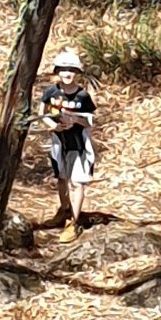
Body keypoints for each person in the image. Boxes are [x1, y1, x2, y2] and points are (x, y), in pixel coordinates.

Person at [39, 50, 96, 243]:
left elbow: (90, 121)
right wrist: (52, 125)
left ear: (77, 72)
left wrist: (75, 120)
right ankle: (64, 211)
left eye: (71, 69)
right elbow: (42, 113)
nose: (67, 73)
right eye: (63, 69)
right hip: (58, 142)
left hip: (79, 145)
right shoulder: (51, 92)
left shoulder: (83, 96)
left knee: (76, 182)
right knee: (61, 179)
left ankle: (74, 221)